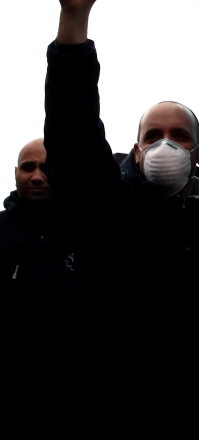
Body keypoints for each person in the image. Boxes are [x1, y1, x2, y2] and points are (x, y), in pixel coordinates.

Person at [45, 0, 199, 437]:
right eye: (153, 137)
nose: (166, 145)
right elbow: (75, 139)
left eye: (180, 136)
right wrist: (74, 22)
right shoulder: (112, 213)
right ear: (136, 152)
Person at [0, 139, 80, 435]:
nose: (36, 176)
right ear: (15, 172)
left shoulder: (87, 235)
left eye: (46, 168)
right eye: (27, 167)